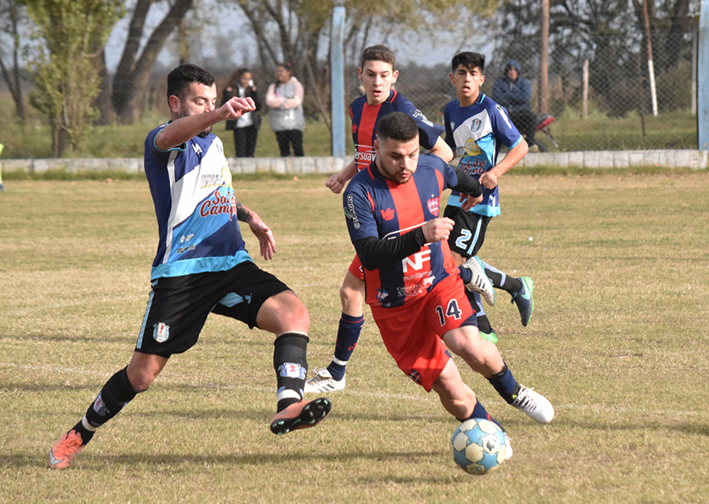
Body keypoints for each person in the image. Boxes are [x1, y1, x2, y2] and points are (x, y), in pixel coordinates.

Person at [47, 64, 331, 470]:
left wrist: (249, 217)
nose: (211, 109)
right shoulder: (163, 142)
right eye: (201, 101)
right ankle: (80, 433)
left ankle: (289, 404)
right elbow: (170, 136)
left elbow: (216, 194)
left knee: (294, 313)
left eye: (214, 102)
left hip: (230, 262)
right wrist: (217, 115)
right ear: (176, 103)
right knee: (141, 376)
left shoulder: (212, 144)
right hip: (182, 273)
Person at [341, 112, 553, 439]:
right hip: (395, 307)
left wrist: (475, 191)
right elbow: (369, 254)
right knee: (450, 387)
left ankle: (515, 393)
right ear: (378, 148)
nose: (406, 164)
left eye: (412, 154)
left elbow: (455, 176)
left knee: (469, 345)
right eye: (395, 156)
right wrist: (421, 235)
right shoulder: (359, 192)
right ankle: (495, 436)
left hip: (438, 282)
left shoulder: (430, 168)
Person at [305, 45, 455, 394]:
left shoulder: (402, 111)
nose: (377, 82)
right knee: (351, 292)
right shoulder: (358, 107)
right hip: (375, 209)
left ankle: (337, 373)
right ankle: (337, 372)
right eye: (370, 74)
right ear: (359, 75)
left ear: (394, 77)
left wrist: (422, 194)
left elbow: (444, 154)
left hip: (399, 216)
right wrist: (346, 175)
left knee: (369, 288)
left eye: (384, 75)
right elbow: (369, 156)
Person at [444, 51, 534, 344]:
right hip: (457, 196)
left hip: (480, 201)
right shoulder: (450, 111)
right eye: (461, 73)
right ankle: (511, 290)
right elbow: (450, 151)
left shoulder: (492, 109)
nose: (467, 78)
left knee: (455, 263)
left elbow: (521, 146)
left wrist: (496, 172)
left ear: (481, 79)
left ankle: (483, 325)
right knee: (445, 261)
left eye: (472, 73)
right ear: (452, 78)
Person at [491, 59, 538, 147]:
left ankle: (530, 144)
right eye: (510, 69)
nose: (512, 72)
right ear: (506, 71)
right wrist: (516, 98)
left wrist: (507, 96)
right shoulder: (499, 83)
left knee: (531, 117)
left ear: (518, 71)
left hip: (521, 114)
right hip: (506, 114)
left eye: (515, 70)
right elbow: (497, 98)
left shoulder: (524, 83)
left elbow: (524, 98)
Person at [265, 62, 305, 157]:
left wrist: (281, 104)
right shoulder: (273, 86)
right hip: (279, 123)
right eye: (277, 71)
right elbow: (269, 100)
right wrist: (285, 101)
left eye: (281, 71)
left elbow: (297, 100)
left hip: (294, 123)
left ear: (289, 72)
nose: (279, 73)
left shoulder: (296, 85)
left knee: (297, 147)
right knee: (284, 149)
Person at [222, 67, 261, 157]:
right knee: (240, 150)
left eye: (248, 79)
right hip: (239, 124)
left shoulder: (251, 91)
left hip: (251, 124)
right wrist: (228, 94)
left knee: (250, 151)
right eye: (244, 78)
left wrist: (254, 92)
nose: (246, 81)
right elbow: (225, 105)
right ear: (238, 78)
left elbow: (258, 106)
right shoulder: (232, 90)